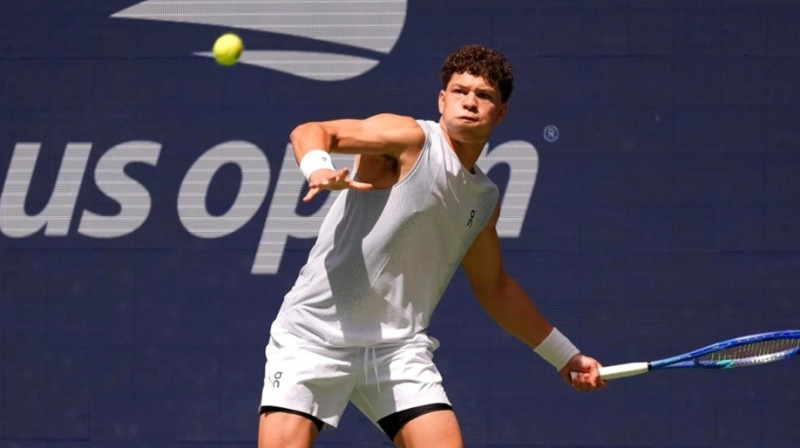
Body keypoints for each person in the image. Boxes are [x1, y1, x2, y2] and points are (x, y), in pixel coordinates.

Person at [258, 44, 606, 448]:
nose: (470, 102)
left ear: (501, 112)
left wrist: (565, 356)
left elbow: (494, 288)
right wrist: (318, 168)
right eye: (460, 91)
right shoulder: (408, 139)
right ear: (442, 99)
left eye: (484, 95)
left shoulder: (483, 198)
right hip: (313, 336)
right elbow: (312, 131)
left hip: (397, 348)